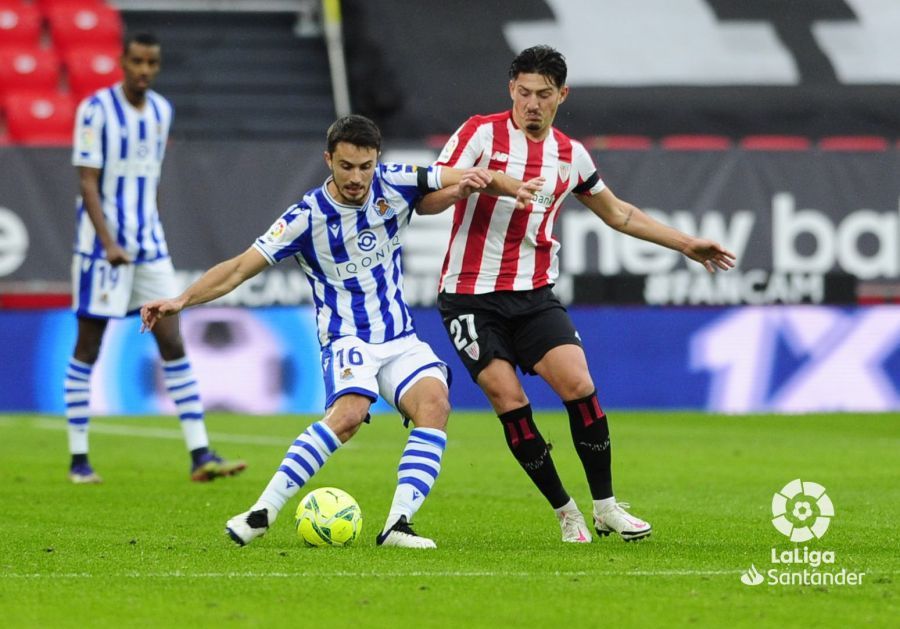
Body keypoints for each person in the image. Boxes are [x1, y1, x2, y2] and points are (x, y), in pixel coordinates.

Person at [140, 114, 539, 548]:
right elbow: (238, 268)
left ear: (377, 159)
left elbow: (473, 175)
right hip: (347, 337)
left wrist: (514, 188)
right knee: (349, 415)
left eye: (365, 166)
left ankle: (397, 525)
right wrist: (181, 300)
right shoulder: (306, 217)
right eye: (346, 166)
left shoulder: (396, 180)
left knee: (435, 403)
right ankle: (261, 512)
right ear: (328, 159)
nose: (356, 177)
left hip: (400, 338)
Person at [433, 45, 737, 543]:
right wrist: (468, 186)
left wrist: (686, 244)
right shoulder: (479, 134)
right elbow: (428, 199)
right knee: (509, 398)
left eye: (543, 94)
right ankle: (565, 512)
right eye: (524, 93)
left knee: (578, 385)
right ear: (511, 89)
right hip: (469, 297)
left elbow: (618, 214)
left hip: (533, 294)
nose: (532, 104)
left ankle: (606, 507)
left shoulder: (570, 156)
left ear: (562, 95)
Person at [65, 32, 245, 484]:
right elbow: (87, 182)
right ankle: (79, 459)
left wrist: (153, 227)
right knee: (88, 347)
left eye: (152, 63)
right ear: (122, 62)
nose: (144, 70)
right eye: (137, 61)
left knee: (173, 342)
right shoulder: (96, 110)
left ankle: (200, 454)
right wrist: (108, 242)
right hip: (102, 252)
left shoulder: (162, 111)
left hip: (150, 248)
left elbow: (153, 179)